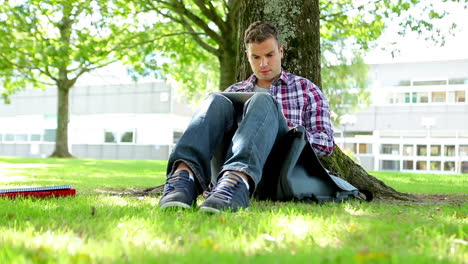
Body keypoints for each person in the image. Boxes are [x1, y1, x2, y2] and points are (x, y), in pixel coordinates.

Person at [159, 21, 334, 213]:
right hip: (225, 172)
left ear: (281, 51)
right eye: (256, 57)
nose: (263, 64)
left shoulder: (306, 89)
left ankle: (237, 181)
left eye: (269, 55)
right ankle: (183, 179)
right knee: (215, 99)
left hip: (279, 171)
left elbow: (326, 143)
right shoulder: (234, 91)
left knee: (263, 101)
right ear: (247, 57)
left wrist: (287, 129)